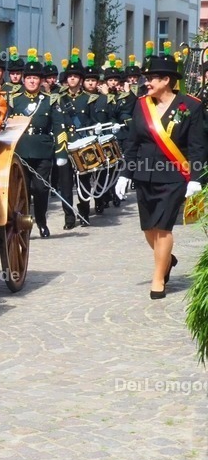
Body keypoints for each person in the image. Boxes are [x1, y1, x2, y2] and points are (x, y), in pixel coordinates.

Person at [115, 49, 207, 299]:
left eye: (152, 78)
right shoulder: (142, 104)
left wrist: (197, 179)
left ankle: (158, 278)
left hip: (175, 176)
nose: (147, 83)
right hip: (145, 174)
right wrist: (126, 174)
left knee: (163, 227)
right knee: (149, 229)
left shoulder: (191, 106)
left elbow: (199, 146)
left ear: (166, 80)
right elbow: (132, 142)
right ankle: (167, 259)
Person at [7, 50, 59, 238]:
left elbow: (58, 125)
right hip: (21, 149)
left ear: (40, 81)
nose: (32, 81)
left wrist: (61, 153)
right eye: (28, 77)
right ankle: (24, 224)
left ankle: (42, 221)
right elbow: (7, 124)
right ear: (23, 79)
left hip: (43, 149)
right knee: (23, 190)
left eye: (35, 78)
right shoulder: (14, 99)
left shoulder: (49, 100)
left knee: (40, 188)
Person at [53, 49, 98, 229]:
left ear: (80, 79)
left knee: (83, 182)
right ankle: (69, 218)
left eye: (76, 76)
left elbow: (93, 120)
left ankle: (85, 212)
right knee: (65, 184)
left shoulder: (89, 99)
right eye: (69, 76)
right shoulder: (58, 99)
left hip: (82, 145)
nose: (72, 79)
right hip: (64, 145)